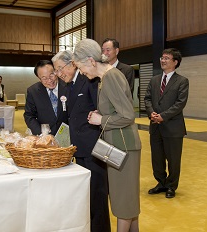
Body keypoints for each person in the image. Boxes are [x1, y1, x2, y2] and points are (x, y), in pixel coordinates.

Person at [73, 38, 142, 232]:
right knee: (127, 199)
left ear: (91, 61)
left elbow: (127, 115)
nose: (82, 73)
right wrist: (99, 114)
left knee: (122, 202)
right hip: (118, 143)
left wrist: (100, 121)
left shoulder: (111, 77)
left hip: (123, 145)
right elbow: (116, 110)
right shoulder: (105, 78)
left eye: (81, 67)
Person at [52, 51, 110, 232]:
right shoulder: (69, 84)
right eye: (57, 71)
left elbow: (100, 110)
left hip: (93, 147)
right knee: (87, 195)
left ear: (72, 64)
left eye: (60, 69)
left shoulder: (89, 80)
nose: (59, 74)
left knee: (98, 194)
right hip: (79, 148)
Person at [144, 48, 189, 198]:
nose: (163, 60)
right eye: (162, 57)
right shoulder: (154, 80)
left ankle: (171, 186)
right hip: (155, 127)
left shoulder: (182, 81)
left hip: (173, 128)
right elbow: (147, 98)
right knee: (157, 158)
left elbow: (180, 103)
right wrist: (151, 113)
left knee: (173, 159)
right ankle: (161, 183)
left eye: (167, 58)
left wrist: (163, 116)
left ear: (175, 62)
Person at [24, 60, 68, 135]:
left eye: (51, 75)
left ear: (56, 72)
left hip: (68, 134)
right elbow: (29, 115)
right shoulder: (33, 91)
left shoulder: (67, 86)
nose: (49, 80)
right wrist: (41, 134)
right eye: (44, 78)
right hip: (45, 136)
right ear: (39, 78)